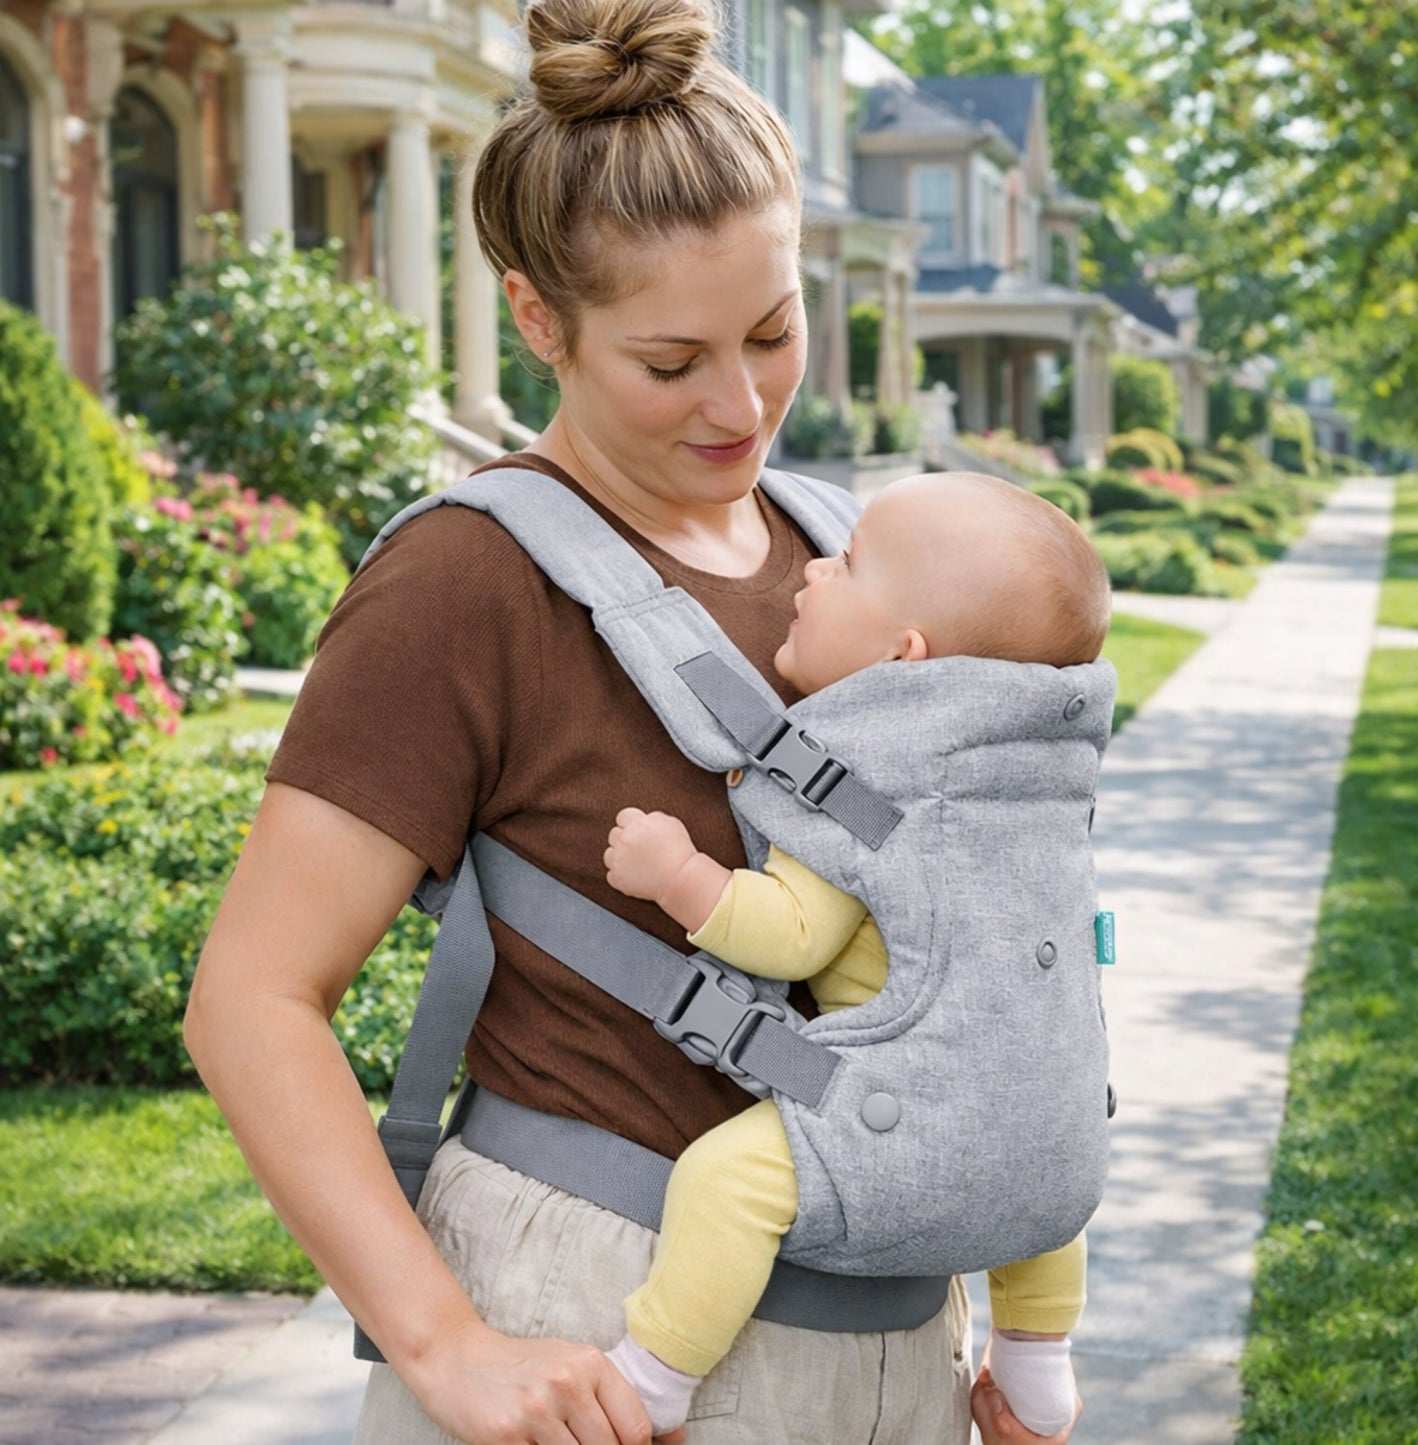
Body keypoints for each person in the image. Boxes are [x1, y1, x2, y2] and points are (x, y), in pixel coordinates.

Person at [183, 0, 1081, 1439]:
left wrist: (1012, 1316)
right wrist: (442, 1344)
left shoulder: (852, 557)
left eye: (773, 331)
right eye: (671, 363)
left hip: (894, 1335)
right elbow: (250, 999)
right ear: (538, 319)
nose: (741, 404)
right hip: (591, 1324)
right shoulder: (463, 582)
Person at [601, 472, 1109, 1439]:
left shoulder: (873, 789)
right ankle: (1037, 1358)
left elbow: (793, 932)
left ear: (900, 657)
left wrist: (680, 876)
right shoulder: (1031, 789)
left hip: (909, 1113)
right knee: (1033, 1177)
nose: (813, 570)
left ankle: (655, 1373)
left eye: (848, 564)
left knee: (726, 1180)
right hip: (1054, 1122)